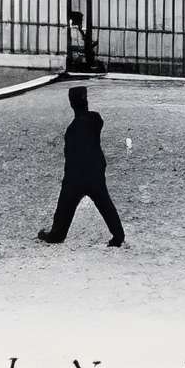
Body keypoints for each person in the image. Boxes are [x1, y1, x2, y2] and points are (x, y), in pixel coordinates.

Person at [37, 86, 125, 248]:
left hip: (76, 176)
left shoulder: (72, 129)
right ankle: (118, 235)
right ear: (86, 102)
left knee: (64, 207)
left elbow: (70, 158)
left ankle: (57, 234)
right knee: (105, 205)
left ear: (72, 104)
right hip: (94, 173)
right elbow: (97, 122)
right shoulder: (95, 120)